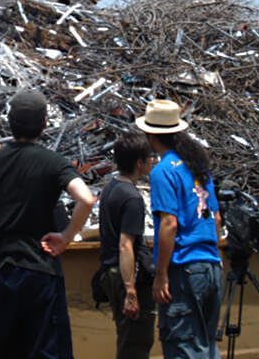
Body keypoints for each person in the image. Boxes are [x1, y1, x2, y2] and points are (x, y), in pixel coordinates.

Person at [0, 89, 96, 359]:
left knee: (6, 349)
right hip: (41, 270)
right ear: (44, 125)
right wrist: (66, 237)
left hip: (1, 271)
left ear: (9, 123)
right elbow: (86, 200)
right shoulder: (53, 162)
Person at [137, 99, 222, 359]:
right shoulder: (198, 168)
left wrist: (161, 274)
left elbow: (169, 224)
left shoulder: (163, 171)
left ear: (151, 135)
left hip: (184, 270)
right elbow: (216, 219)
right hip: (211, 266)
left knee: (183, 346)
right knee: (207, 346)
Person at [98, 133, 157, 359]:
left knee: (127, 338)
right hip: (125, 276)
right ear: (138, 163)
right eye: (149, 157)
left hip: (111, 272)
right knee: (136, 343)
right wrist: (130, 289)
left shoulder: (111, 188)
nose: (152, 161)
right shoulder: (132, 198)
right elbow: (126, 246)